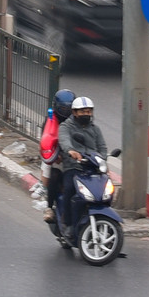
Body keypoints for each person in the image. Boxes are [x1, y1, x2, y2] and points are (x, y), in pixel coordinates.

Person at [52, 96, 109, 232]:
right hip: (74, 166)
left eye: (89, 111)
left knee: (106, 190)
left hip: (93, 167)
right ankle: (68, 223)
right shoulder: (66, 126)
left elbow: (102, 147)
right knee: (70, 189)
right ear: (75, 112)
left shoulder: (95, 129)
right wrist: (71, 151)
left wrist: (103, 158)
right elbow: (64, 140)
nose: (86, 114)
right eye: (83, 111)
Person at [40, 88, 79, 223]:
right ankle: (49, 206)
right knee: (54, 174)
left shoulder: (80, 120)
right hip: (58, 155)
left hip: (76, 156)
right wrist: (56, 155)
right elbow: (46, 141)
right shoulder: (50, 121)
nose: (67, 112)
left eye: (70, 109)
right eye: (63, 108)